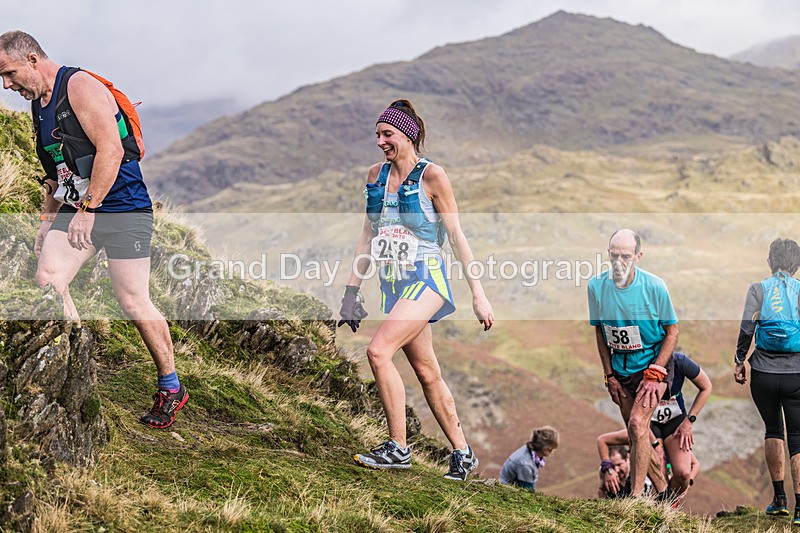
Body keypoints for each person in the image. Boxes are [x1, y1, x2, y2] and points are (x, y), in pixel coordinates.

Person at [0, 31, 187, 428]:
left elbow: (112, 150)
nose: (6, 85)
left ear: (32, 59)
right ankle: (75, 366)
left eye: (10, 73)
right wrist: (47, 220)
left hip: (122, 208)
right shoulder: (40, 103)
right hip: (77, 206)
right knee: (49, 278)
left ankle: (171, 386)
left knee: (133, 302)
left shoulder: (79, 86)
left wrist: (89, 208)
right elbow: (55, 172)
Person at [339, 99, 494, 480]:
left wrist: (478, 294)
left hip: (426, 281)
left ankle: (397, 448)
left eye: (387, 134)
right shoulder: (375, 175)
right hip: (394, 285)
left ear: (407, 135)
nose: (379, 142)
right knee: (427, 372)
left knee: (378, 351)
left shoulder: (432, 176)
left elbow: (456, 235)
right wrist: (351, 291)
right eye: (377, 135)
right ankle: (463, 453)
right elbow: (366, 235)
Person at [588, 229, 679, 496]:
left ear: (638, 256)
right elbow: (600, 332)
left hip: (654, 366)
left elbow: (673, 331)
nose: (619, 262)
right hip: (621, 370)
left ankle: (635, 497)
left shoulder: (654, 287)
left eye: (626, 256)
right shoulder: (596, 287)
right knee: (638, 434)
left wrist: (655, 373)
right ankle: (665, 493)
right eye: (614, 256)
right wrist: (609, 375)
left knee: (638, 424)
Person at [734, 238, 800, 524]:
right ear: (796, 265)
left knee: (773, 430)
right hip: (796, 372)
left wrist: (739, 361)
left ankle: (779, 500)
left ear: (770, 262)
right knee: (797, 439)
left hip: (762, 372)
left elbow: (747, 328)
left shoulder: (758, 289)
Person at [650, 351, 711, 497]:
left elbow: (706, 387)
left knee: (683, 474)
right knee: (660, 473)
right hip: (650, 423)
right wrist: (654, 445)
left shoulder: (680, 361)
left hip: (676, 421)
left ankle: (667, 506)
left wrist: (689, 421)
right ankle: (659, 509)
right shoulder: (642, 361)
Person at [499, 426, 560, 491]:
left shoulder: (529, 449)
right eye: (552, 449)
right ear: (546, 448)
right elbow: (528, 490)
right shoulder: (525, 464)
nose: (553, 451)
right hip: (507, 491)